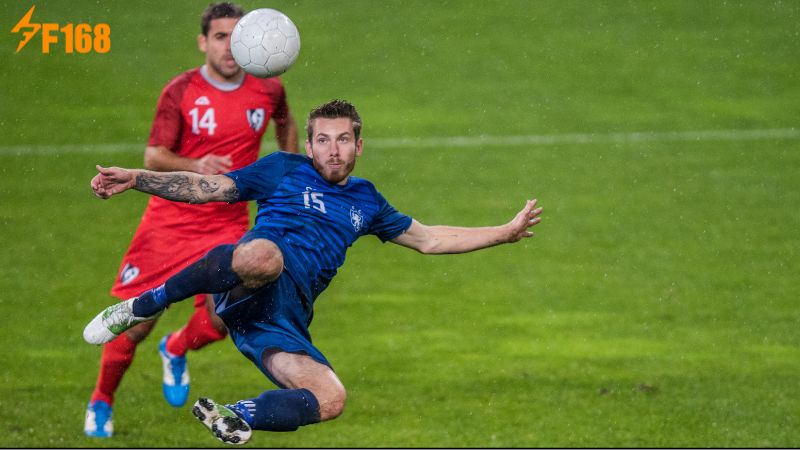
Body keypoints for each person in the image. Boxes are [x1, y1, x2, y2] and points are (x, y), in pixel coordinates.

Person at [84, 99, 543, 445]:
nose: (333, 150)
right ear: (308, 146)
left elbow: (429, 239)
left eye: (343, 140)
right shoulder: (283, 169)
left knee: (330, 397)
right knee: (265, 257)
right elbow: (207, 187)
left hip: (281, 318)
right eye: (323, 140)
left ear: (359, 146)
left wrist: (504, 233)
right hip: (247, 277)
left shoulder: (367, 200)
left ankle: (237, 414)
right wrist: (137, 178)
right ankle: (144, 304)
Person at [83, 2, 299, 438]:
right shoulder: (180, 91)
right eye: (220, 37)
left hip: (227, 222)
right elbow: (153, 156)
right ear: (203, 42)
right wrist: (194, 164)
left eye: (236, 37)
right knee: (136, 324)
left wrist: (289, 171)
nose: (229, 47)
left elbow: (286, 122)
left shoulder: (268, 88)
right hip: (170, 223)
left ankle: (176, 347)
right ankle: (101, 399)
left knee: (224, 320)